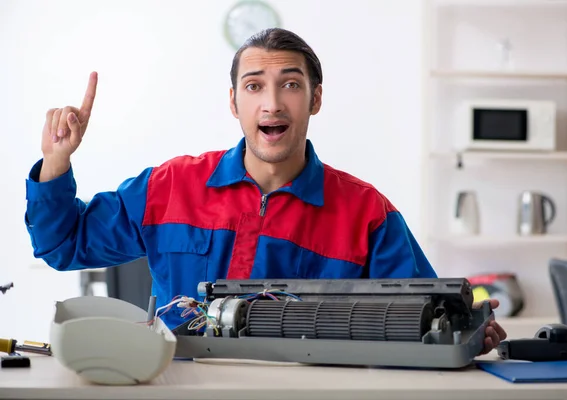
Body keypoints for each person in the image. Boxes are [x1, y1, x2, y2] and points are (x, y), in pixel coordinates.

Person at [24, 28, 506, 353]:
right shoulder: (169, 187)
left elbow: (425, 312)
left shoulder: (366, 213)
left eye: (290, 84)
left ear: (315, 98)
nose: (272, 103)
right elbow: (61, 245)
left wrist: (467, 329)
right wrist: (57, 160)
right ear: (234, 102)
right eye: (254, 87)